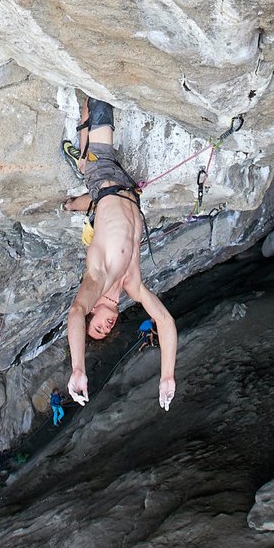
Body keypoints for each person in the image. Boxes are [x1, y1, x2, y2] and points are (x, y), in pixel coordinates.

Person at [62, 95, 177, 411]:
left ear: (92, 312)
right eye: (107, 330)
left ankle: (84, 122)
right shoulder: (132, 284)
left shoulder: (96, 278)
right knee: (89, 167)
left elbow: (74, 313)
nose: (105, 326)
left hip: (104, 181)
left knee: (99, 104)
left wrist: (78, 368)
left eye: (96, 326)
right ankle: (76, 184)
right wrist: (167, 376)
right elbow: (164, 320)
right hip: (128, 189)